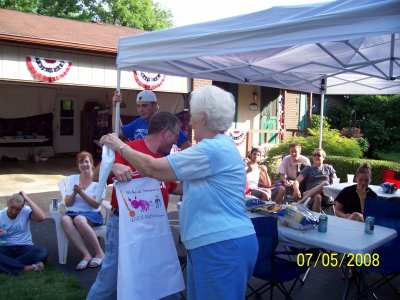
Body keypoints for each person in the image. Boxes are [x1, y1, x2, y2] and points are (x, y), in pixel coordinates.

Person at [100, 85, 258, 300]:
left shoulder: (211, 149)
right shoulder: (217, 147)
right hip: (215, 244)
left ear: (203, 117)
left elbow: (153, 168)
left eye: (191, 116)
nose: (189, 123)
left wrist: (119, 146)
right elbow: (187, 184)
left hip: (220, 246)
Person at [87, 111, 183, 300]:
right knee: (111, 276)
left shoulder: (165, 160)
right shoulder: (128, 149)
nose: (177, 140)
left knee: (160, 272)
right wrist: (112, 167)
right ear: (165, 132)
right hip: (123, 224)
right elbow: (96, 176)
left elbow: (174, 187)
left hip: (154, 226)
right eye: (176, 134)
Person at [61, 151, 106, 271]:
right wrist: (75, 193)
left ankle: (100, 253)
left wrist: (82, 192)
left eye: (86, 161)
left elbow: (96, 204)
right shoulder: (73, 179)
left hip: (92, 213)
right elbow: (67, 203)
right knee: (65, 219)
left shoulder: (99, 181)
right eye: (81, 162)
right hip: (73, 212)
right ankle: (86, 254)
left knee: (79, 219)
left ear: (91, 164)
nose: (84, 164)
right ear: (78, 165)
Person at [112, 90, 191, 150]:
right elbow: (118, 131)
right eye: (138, 106)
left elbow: (186, 147)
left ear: (154, 105)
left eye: (144, 105)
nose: (141, 110)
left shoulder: (167, 122)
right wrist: (115, 107)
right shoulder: (138, 121)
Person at [0, 191, 48, 275]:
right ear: (7, 204)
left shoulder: (25, 211)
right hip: (6, 247)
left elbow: (41, 217)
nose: (14, 212)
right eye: (12, 207)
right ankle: (25, 268)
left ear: (22, 208)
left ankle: (7, 264)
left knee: (42, 251)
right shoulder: (1, 215)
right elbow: (2, 241)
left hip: (25, 247)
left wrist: (27, 199)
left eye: (18, 209)